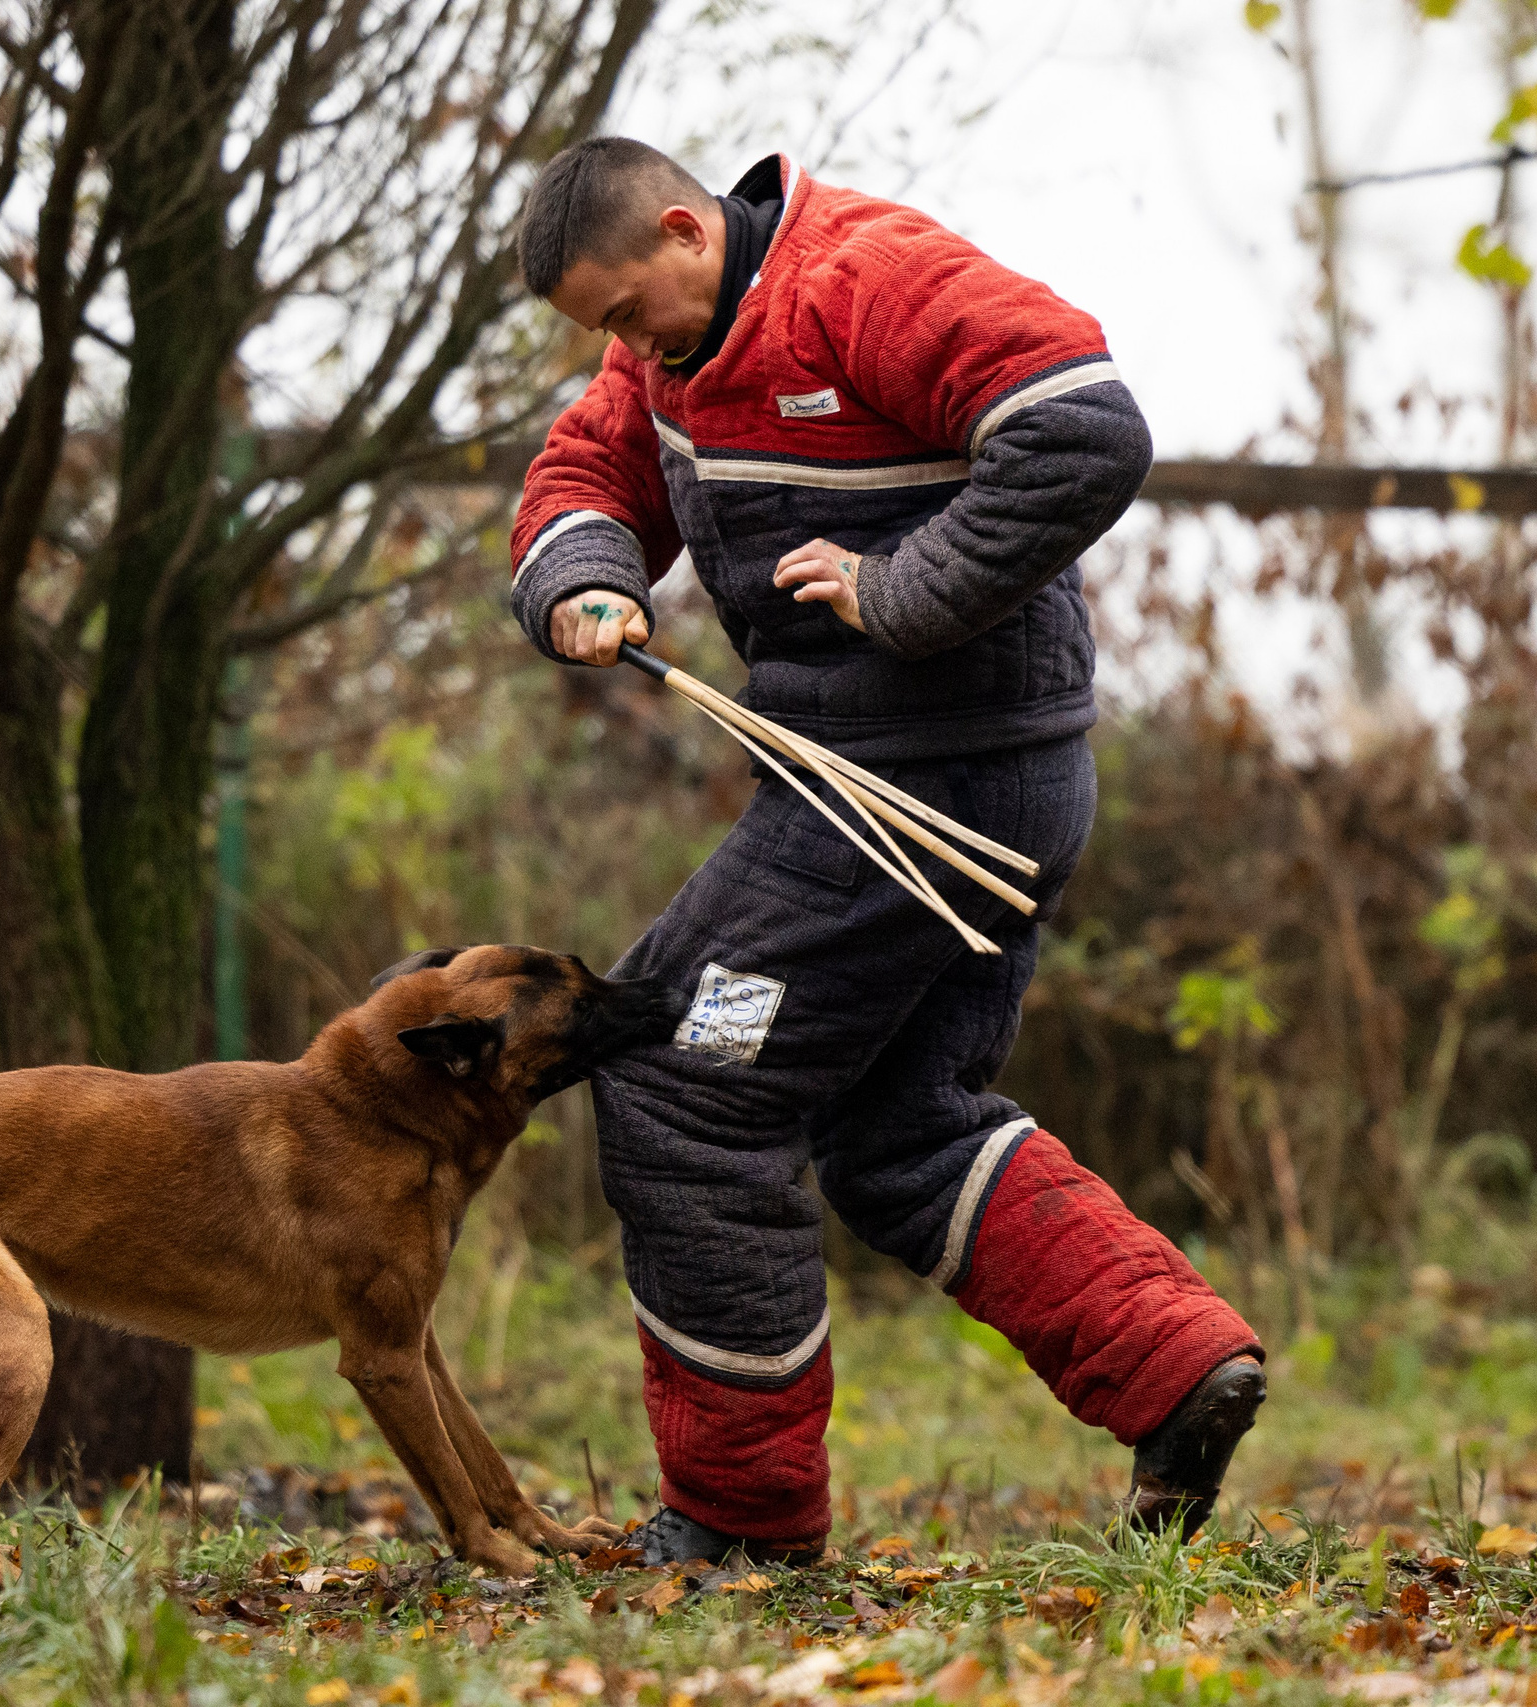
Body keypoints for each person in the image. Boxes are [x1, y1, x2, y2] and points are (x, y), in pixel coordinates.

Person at [509, 138, 1266, 1566]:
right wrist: (585, 579)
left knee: (680, 1085)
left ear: (684, 229)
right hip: (927, 795)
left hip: (912, 801)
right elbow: (588, 467)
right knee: (893, 1123)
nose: (629, 349)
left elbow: (1085, 429)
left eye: (624, 312)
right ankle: (1175, 1373)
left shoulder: (863, 277)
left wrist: (899, 590)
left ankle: (739, 1525)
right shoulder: (670, 354)